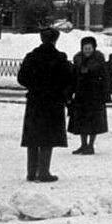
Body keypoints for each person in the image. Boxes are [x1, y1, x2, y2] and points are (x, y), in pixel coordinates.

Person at [17, 26, 74, 183]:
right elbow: (69, 79)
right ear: (55, 40)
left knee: (33, 136)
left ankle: (31, 172)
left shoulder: (31, 57)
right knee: (48, 137)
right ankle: (43, 172)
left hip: (35, 101)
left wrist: (35, 85)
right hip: (53, 102)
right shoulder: (60, 58)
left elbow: (21, 78)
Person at [68, 36, 110, 155]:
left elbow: (106, 78)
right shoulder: (77, 59)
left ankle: (90, 145)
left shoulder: (99, 60)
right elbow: (73, 78)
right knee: (80, 121)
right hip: (81, 95)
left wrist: (105, 93)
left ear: (94, 48)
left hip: (95, 96)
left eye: (89, 48)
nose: (87, 50)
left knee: (93, 122)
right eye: (85, 48)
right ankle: (83, 144)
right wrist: (70, 93)